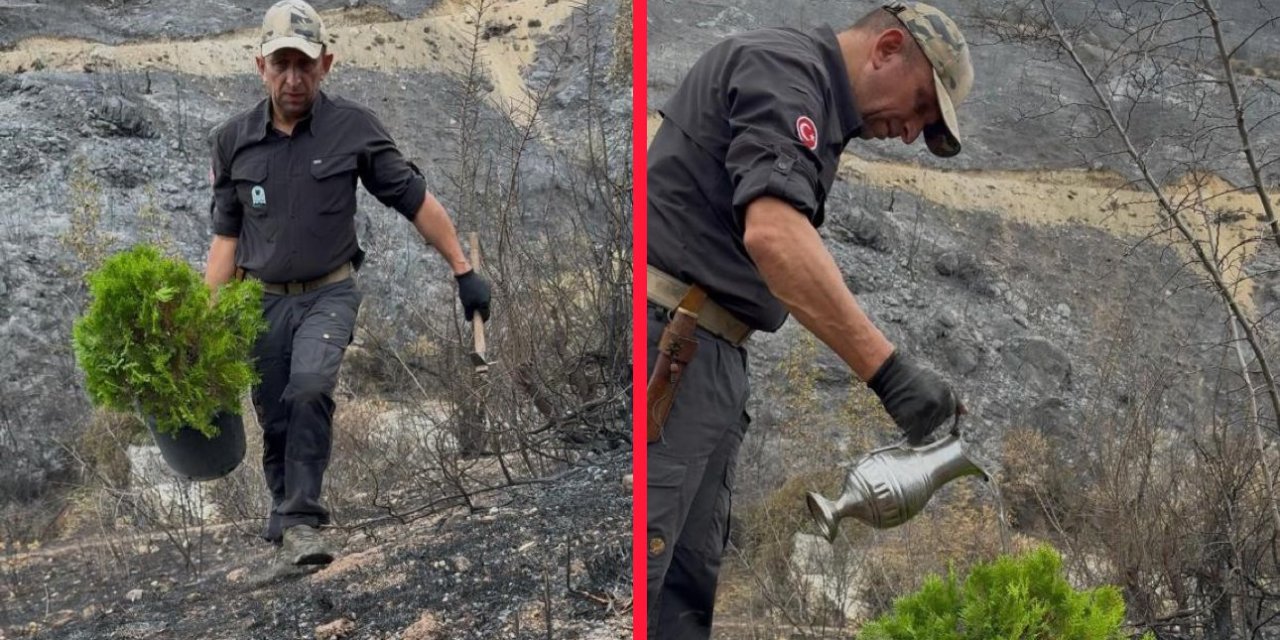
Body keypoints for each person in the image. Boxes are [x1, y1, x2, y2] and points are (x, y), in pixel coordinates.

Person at [645, 2, 973, 636]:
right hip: (671, 350)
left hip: (708, 355)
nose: (911, 133)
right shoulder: (786, 70)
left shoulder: (814, 102)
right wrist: (891, 374)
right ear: (887, 47)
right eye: (923, 106)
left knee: (681, 599)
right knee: (645, 583)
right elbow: (775, 237)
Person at [203, 0, 491, 570]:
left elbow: (415, 201)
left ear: (326, 64)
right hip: (259, 301)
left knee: (310, 386)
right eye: (281, 63)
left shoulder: (352, 128)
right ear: (260, 64)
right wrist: (205, 326)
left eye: (304, 65)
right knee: (275, 413)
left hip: (329, 292)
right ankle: (287, 516)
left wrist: (465, 271)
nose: (292, 78)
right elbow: (226, 240)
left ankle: (304, 521)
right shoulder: (231, 141)